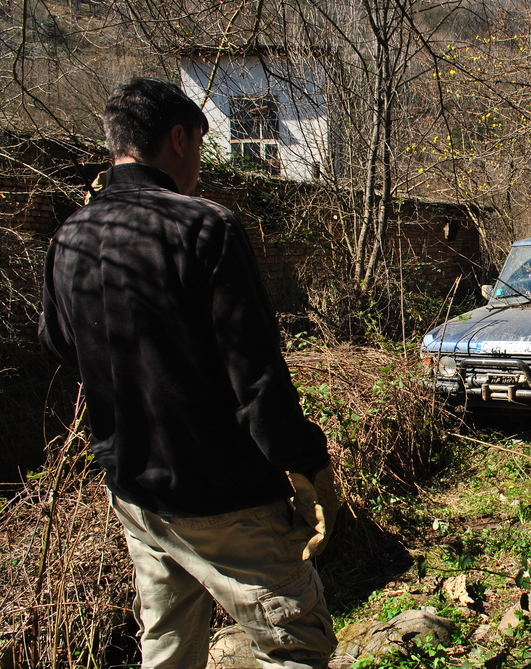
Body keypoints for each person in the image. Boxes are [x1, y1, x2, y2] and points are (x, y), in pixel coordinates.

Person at [38, 77, 339, 669]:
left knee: (168, 643)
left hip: (134, 489)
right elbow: (255, 375)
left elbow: (59, 343)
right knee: (296, 644)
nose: (199, 162)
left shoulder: (70, 235)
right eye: (200, 144)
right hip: (223, 492)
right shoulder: (205, 226)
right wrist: (306, 462)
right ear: (178, 138)